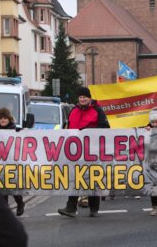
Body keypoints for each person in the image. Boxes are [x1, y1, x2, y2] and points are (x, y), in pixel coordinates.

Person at [58, 87, 110, 218]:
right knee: (75, 178)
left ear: (89, 98)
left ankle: (94, 207)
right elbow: (68, 127)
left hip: (92, 150)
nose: (82, 99)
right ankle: (71, 207)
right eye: (80, 97)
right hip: (75, 151)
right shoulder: (74, 110)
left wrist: (87, 131)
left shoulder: (97, 110)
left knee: (91, 178)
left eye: (84, 97)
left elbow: (105, 127)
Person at [0, 108, 25, 216]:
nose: (3, 120)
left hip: (13, 162)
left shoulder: (16, 130)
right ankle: (5, 210)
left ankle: (20, 203)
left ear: (9, 119)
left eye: (5, 118)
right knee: (2, 187)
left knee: (13, 186)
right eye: (1, 118)